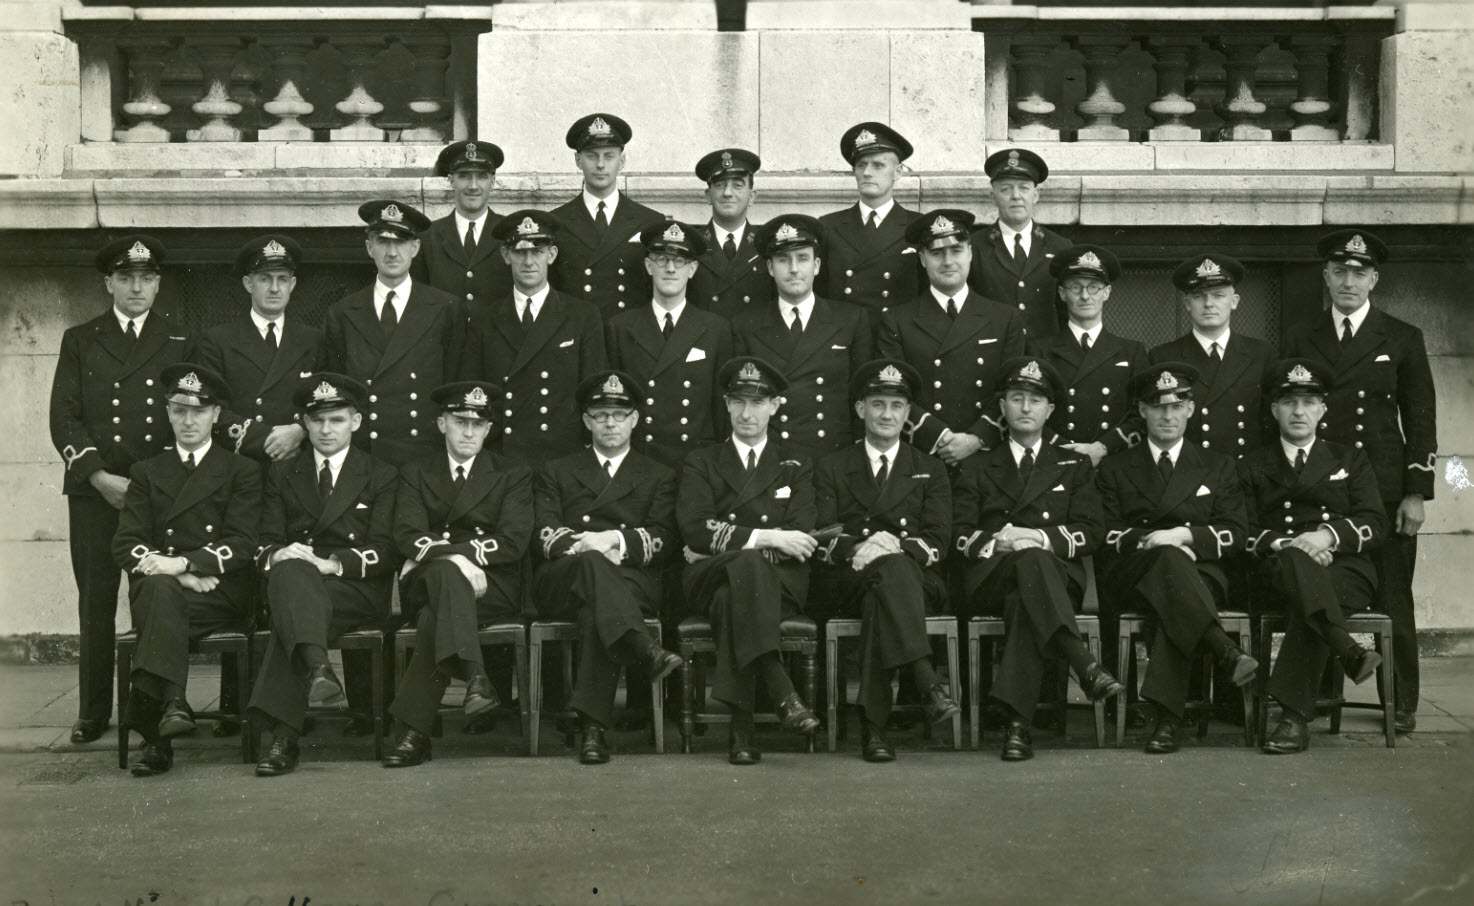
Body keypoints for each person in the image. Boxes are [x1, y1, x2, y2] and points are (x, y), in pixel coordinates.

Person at [1281, 230, 1436, 734]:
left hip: (1385, 491)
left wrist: (1416, 492)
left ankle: (1402, 700)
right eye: (1340, 272)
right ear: (1326, 277)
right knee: (1324, 585)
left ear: (1374, 279)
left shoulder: (1402, 336)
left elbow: (1421, 418)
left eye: (1359, 272)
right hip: (1321, 485)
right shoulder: (1300, 335)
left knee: (1393, 594)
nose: (1349, 281)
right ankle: (1319, 696)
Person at [49, 234, 193, 745]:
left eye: (146, 278)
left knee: (154, 593)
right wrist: (97, 475)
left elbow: (189, 415)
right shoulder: (80, 339)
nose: (137, 287)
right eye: (126, 278)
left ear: (157, 284)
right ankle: (92, 711)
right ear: (108, 282)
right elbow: (63, 417)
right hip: (95, 493)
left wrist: (155, 482)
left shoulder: (179, 340)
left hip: (154, 492)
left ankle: (150, 705)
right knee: (96, 600)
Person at [953, 357, 1124, 761]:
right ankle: (1082, 662)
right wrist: (1001, 543)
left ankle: (1018, 725)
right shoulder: (977, 465)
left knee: (1026, 594)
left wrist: (1038, 538)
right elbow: (957, 533)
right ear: (1002, 407)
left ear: (1050, 410)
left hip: (1057, 578)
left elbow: (1092, 531)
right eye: (1016, 399)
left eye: (1035, 400)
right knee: (1027, 566)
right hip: (992, 575)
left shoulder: (1074, 464)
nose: (1025, 408)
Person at [1095, 362, 1258, 754]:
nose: (1167, 416)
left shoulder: (1218, 465)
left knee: (1170, 594)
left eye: (1176, 406)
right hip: (1134, 573)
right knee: (1168, 567)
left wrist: (1184, 536)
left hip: (1201, 573)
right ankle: (1222, 648)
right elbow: (1103, 531)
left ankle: (1168, 719)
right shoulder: (1116, 467)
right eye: (1157, 407)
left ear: (1190, 409)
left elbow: (1236, 532)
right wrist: (1159, 542)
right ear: (1142, 411)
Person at [246, 372, 401, 776]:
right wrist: (281, 554)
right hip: (299, 583)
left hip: (354, 589)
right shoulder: (283, 473)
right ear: (304, 423)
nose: (327, 429)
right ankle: (317, 668)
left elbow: (387, 550)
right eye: (317, 420)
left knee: (291, 607)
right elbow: (263, 542)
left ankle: (283, 737)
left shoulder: (380, 473)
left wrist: (331, 564)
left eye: (337, 419)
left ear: (356, 421)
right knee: (291, 574)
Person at [111, 364, 260, 776]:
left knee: (159, 598)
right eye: (179, 411)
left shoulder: (241, 470)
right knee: (161, 592)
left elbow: (244, 543)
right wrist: (178, 575)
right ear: (168, 413)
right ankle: (172, 705)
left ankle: (158, 734)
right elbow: (125, 542)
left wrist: (183, 563)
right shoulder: (146, 471)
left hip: (219, 591)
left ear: (216, 415)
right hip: (169, 589)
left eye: (199, 411)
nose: (188, 420)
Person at [532, 370, 684, 764]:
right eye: (601, 415)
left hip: (630, 580)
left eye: (619, 415)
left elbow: (665, 538)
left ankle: (592, 729)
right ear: (587, 421)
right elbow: (544, 532)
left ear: (635, 420)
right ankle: (643, 648)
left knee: (596, 611)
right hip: (565, 579)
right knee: (592, 567)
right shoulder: (557, 470)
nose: (610, 423)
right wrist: (590, 547)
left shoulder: (658, 474)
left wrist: (613, 540)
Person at [1237, 358, 1386, 754]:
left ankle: (1294, 718)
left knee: (1313, 596)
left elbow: (1375, 521)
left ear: (1322, 409)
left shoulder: (1349, 459)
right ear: (1274, 410)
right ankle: (1340, 656)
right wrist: (1288, 545)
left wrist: (1325, 536)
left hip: (1345, 569)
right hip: (1279, 570)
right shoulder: (1251, 464)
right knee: (1301, 573)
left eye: (1308, 402)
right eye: (1289, 402)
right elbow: (1240, 528)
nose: (1298, 412)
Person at [813, 359, 959, 762]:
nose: (887, 415)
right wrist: (861, 548)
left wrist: (891, 547)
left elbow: (939, 540)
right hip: (850, 576)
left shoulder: (930, 468)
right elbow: (822, 532)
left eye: (896, 406)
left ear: (908, 413)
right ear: (861, 409)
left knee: (885, 587)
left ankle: (873, 727)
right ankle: (926, 680)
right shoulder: (832, 466)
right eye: (878, 404)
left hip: (917, 580)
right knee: (883, 583)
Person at [678, 356, 821, 765]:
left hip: (777, 583)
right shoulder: (701, 461)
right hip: (709, 578)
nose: (746, 413)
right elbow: (694, 529)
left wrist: (727, 544)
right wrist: (769, 536)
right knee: (748, 568)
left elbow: (802, 534)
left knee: (734, 597)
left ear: (775, 406)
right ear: (726, 404)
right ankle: (781, 691)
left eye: (757, 403)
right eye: (738, 401)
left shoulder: (796, 463)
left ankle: (742, 732)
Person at [382, 381, 532, 767]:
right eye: (460, 422)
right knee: (447, 581)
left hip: (490, 585)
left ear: (489, 429)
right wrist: (459, 561)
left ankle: (414, 733)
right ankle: (475, 675)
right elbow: (406, 533)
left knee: (435, 618)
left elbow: (513, 541)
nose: (468, 432)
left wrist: (447, 556)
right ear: (441, 424)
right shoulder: (416, 471)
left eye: (477, 424)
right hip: (432, 580)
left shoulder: (511, 473)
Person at [877, 209, 1026, 467]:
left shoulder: (1005, 318)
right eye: (937, 253)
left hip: (987, 457)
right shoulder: (896, 320)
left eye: (956, 251)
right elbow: (894, 391)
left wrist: (976, 438)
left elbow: (1014, 390)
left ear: (970, 253)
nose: (948, 261)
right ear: (922, 259)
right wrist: (940, 438)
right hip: (924, 456)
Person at [460, 209, 608, 464]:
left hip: (562, 457)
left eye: (537, 252)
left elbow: (593, 394)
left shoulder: (582, 316)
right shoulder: (484, 319)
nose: (528, 262)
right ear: (506, 255)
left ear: (552, 255)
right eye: (520, 252)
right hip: (502, 456)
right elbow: (473, 395)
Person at [322, 200, 463, 467]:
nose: (392, 252)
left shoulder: (445, 308)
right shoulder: (343, 312)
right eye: (383, 242)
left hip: (424, 455)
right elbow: (337, 391)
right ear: (369, 248)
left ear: (415, 248)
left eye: (400, 242)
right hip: (365, 456)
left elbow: (454, 383)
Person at [732, 213, 872, 459]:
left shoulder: (851, 319)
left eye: (802, 258)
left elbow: (863, 397)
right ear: (770, 268)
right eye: (783, 260)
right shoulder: (746, 325)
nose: (794, 269)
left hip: (833, 457)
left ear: (816, 266)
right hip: (772, 459)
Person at [607, 220, 733, 470]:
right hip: (640, 460)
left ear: (692, 269)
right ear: (648, 266)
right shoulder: (620, 327)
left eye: (680, 261)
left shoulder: (715, 329)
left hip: (695, 461)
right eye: (662, 259)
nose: (671, 268)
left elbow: (721, 407)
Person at [201, 234, 322, 465]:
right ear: (249, 284)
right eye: (265, 279)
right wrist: (269, 439)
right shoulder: (218, 340)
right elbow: (211, 409)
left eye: (282, 279)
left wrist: (300, 430)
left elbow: (327, 402)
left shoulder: (313, 339)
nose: (275, 288)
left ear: (292, 284)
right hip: (242, 463)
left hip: (298, 464)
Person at [1027, 244, 1146, 467]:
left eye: (1093, 288)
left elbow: (1142, 414)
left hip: (1113, 462)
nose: (1085, 296)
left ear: (1106, 292)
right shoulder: (1039, 350)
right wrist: (1067, 449)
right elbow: (1029, 412)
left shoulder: (1132, 352)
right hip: (1058, 461)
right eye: (1076, 287)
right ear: (1062, 293)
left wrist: (1102, 448)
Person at [1149, 253, 1276, 458]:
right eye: (1198, 296)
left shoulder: (1261, 354)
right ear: (1187, 303)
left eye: (1218, 295)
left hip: (1245, 469)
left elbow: (1272, 423)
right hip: (1190, 469)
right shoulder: (1163, 356)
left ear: (1234, 301)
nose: (1208, 303)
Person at [548, 112, 666, 319]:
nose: (600, 164)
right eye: (592, 156)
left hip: (630, 334)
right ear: (578, 160)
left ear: (622, 161)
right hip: (577, 334)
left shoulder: (650, 221)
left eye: (609, 156)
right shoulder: (555, 222)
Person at [818, 122, 925, 323]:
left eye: (878, 165)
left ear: (898, 172)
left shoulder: (917, 226)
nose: (867, 172)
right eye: (861, 165)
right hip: (846, 334)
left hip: (897, 334)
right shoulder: (828, 226)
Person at [967, 148, 1072, 340]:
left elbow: (1068, 313)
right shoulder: (973, 247)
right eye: (1006, 189)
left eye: (1024, 188)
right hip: (993, 353)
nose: (1016, 196)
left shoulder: (1060, 247)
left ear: (1036, 195)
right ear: (993, 197)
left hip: (1045, 354)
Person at [411, 139, 512, 309]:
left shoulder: (510, 233)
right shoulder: (428, 237)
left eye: (482, 176)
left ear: (493, 181)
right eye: (464, 176)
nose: (473, 186)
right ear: (451, 180)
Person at [689, 148, 773, 320]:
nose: (727, 193)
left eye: (737, 185)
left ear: (752, 197)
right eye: (720, 185)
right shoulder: (691, 245)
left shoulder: (768, 246)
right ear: (708, 196)